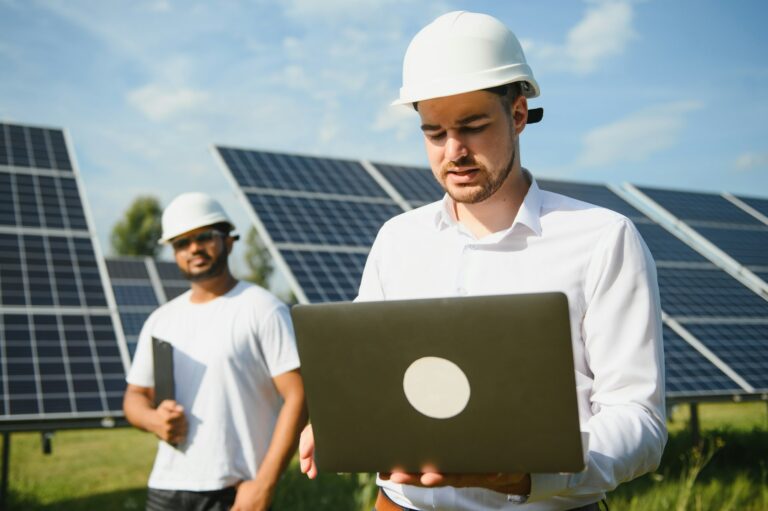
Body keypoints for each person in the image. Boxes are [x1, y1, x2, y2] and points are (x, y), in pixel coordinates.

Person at [299, 11, 666, 511]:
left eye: (473, 127)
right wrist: (338, 418)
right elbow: (371, 378)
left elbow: (638, 420)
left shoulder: (602, 239)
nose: (454, 152)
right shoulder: (397, 240)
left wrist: (530, 472)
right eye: (434, 133)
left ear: (518, 115)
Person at [124, 192, 307, 511]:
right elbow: (135, 396)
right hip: (165, 488)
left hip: (234, 491)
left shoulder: (263, 309)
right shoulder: (161, 320)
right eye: (182, 243)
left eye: (204, 237)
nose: (193, 248)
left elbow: (298, 396)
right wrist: (153, 420)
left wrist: (263, 486)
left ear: (228, 240)